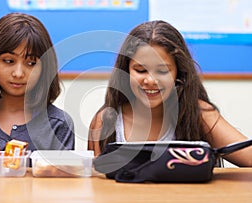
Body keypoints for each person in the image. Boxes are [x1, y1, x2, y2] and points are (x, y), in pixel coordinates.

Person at [88, 20, 252, 167]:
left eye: (162, 71)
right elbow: (97, 186)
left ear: (178, 74)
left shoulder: (199, 113)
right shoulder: (105, 120)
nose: (151, 80)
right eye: (140, 70)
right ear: (126, 72)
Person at [0, 12, 75, 167]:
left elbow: (61, 186)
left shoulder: (58, 124)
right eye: (9, 61)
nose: (18, 73)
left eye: (31, 63)